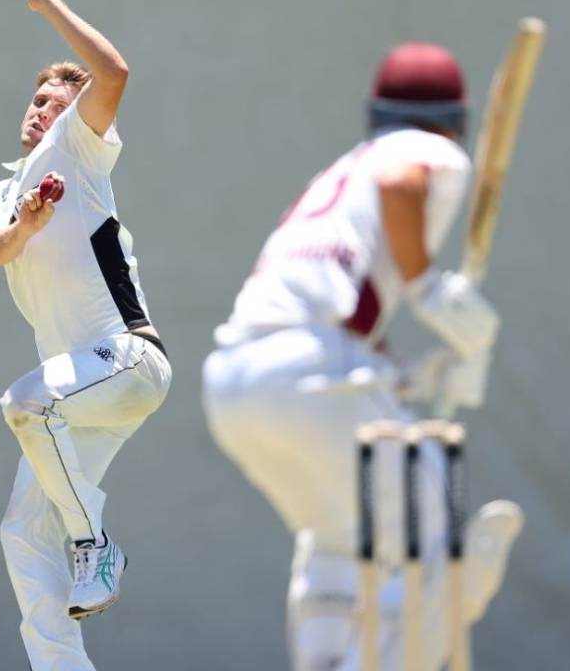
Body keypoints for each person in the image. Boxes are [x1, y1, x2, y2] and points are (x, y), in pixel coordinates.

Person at [201, 44, 524, 670]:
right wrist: (430, 287)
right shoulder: (424, 151)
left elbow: (340, 301)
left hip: (235, 382)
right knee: (433, 532)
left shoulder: (339, 173)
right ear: (455, 118)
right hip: (310, 372)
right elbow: (402, 182)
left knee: (337, 540)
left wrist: (405, 371)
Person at [0, 0, 172, 670]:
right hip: (79, 399)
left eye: (56, 101)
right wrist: (25, 219)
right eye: (37, 100)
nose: (41, 111)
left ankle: (95, 543)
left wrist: (48, 2)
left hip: (127, 362)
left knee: (24, 403)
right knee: (21, 530)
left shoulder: (77, 147)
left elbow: (112, 74)